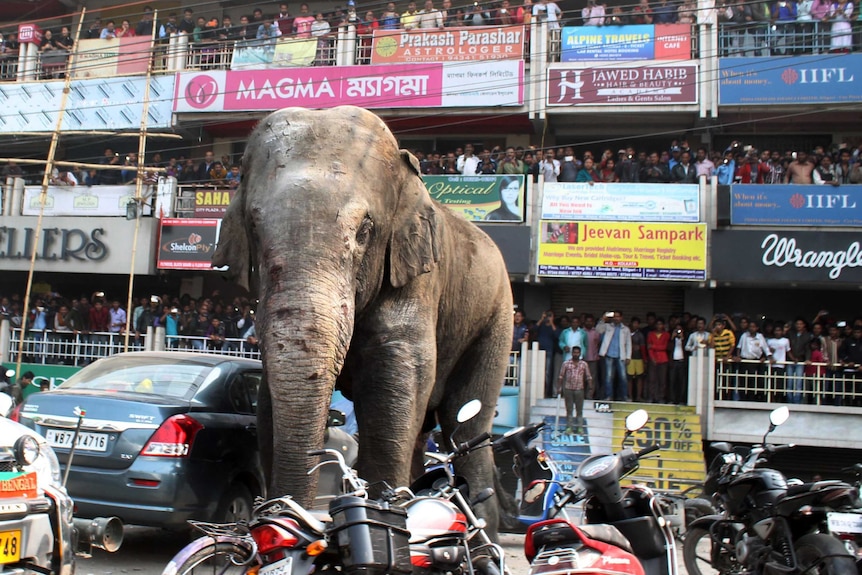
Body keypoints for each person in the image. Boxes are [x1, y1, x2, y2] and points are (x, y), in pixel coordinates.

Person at [556, 346, 592, 435]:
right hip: (568, 389)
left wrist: (590, 387)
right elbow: (561, 376)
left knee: (579, 410)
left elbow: (588, 376)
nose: (576, 354)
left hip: (579, 389)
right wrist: (559, 387)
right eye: (574, 352)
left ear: (580, 353)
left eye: (577, 353)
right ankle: (569, 428)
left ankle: (580, 428)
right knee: (569, 410)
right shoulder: (566, 364)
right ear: (572, 353)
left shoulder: (583, 364)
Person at [596, 311, 632, 401]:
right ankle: (609, 396)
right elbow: (598, 330)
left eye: (618, 316)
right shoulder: (608, 326)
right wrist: (602, 319)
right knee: (608, 377)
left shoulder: (625, 329)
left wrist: (628, 356)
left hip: (621, 356)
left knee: (623, 377)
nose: (616, 318)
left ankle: (624, 396)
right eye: (614, 316)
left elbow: (628, 344)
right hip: (609, 355)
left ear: (621, 318)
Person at [535, 310, 560, 397]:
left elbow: (557, 335)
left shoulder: (554, 327)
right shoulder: (541, 325)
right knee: (538, 372)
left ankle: (546, 392)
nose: (548, 317)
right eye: (547, 315)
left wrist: (552, 322)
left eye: (550, 315)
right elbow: (534, 328)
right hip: (539, 351)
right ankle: (539, 391)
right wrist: (542, 318)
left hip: (549, 351)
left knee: (547, 372)